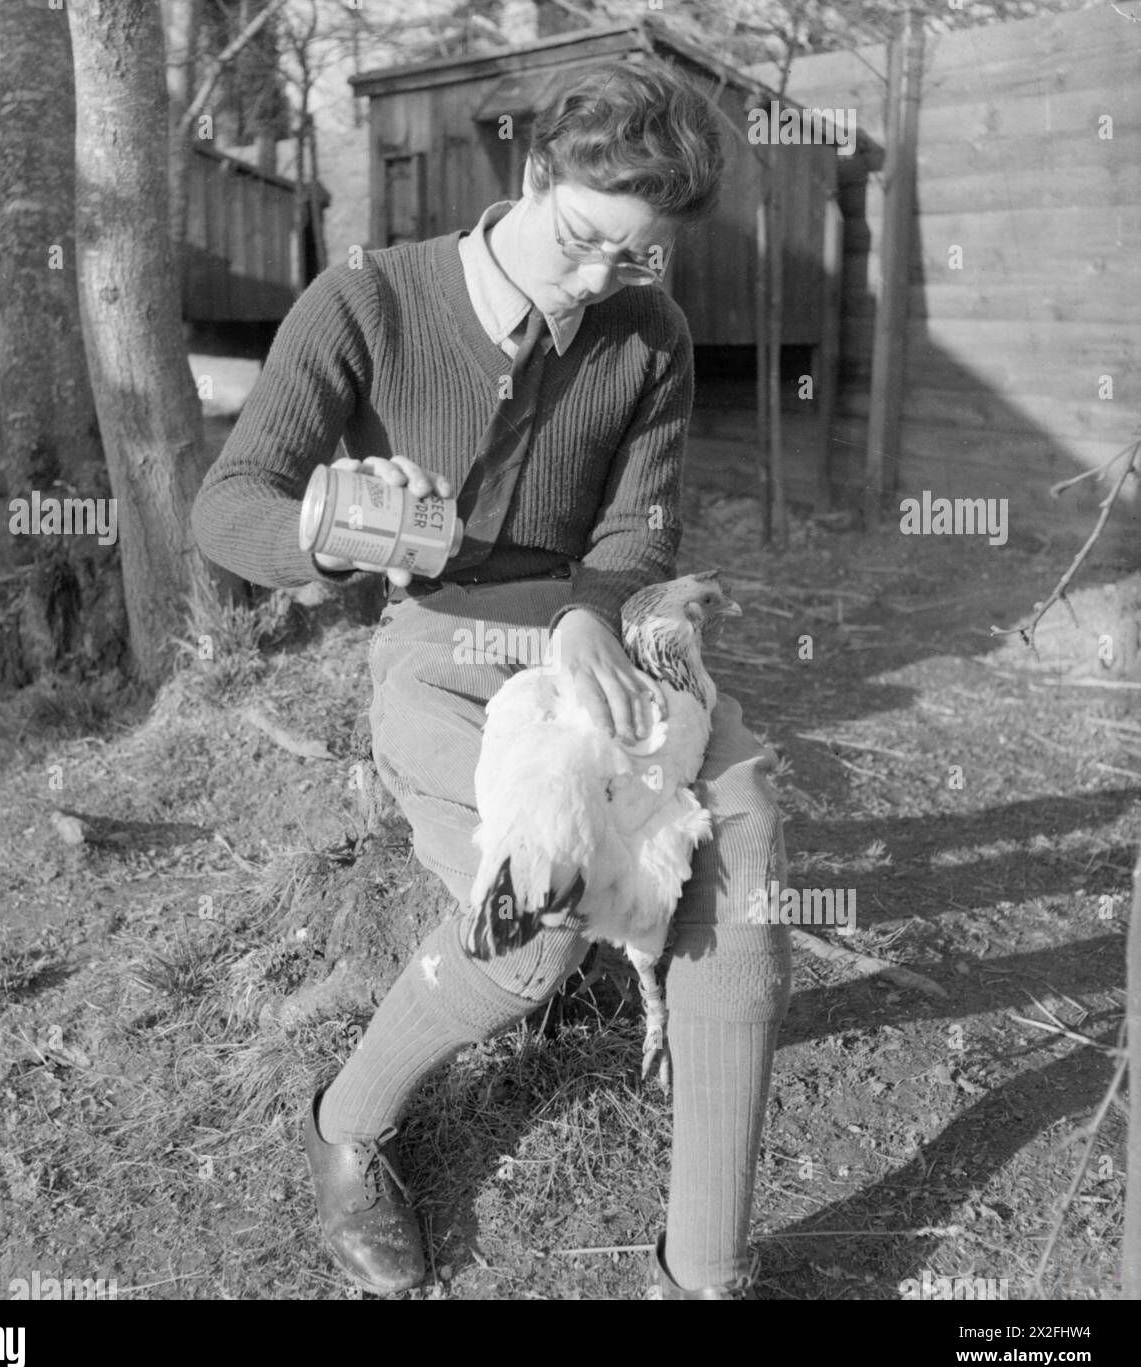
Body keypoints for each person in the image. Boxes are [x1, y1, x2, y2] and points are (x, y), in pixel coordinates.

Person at [190, 60, 792, 1300]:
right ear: (530, 175)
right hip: (441, 643)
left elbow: (635, 539)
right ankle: (350, 1127)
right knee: (533, 930)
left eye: (632, 260)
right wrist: (325, 531)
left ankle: (706, 1275)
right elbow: (226, 504)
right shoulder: (369, 298)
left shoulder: (651, 338)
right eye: (580, 242)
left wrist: (588, 619)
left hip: (594, 640)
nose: (596, 282)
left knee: (742, 858)